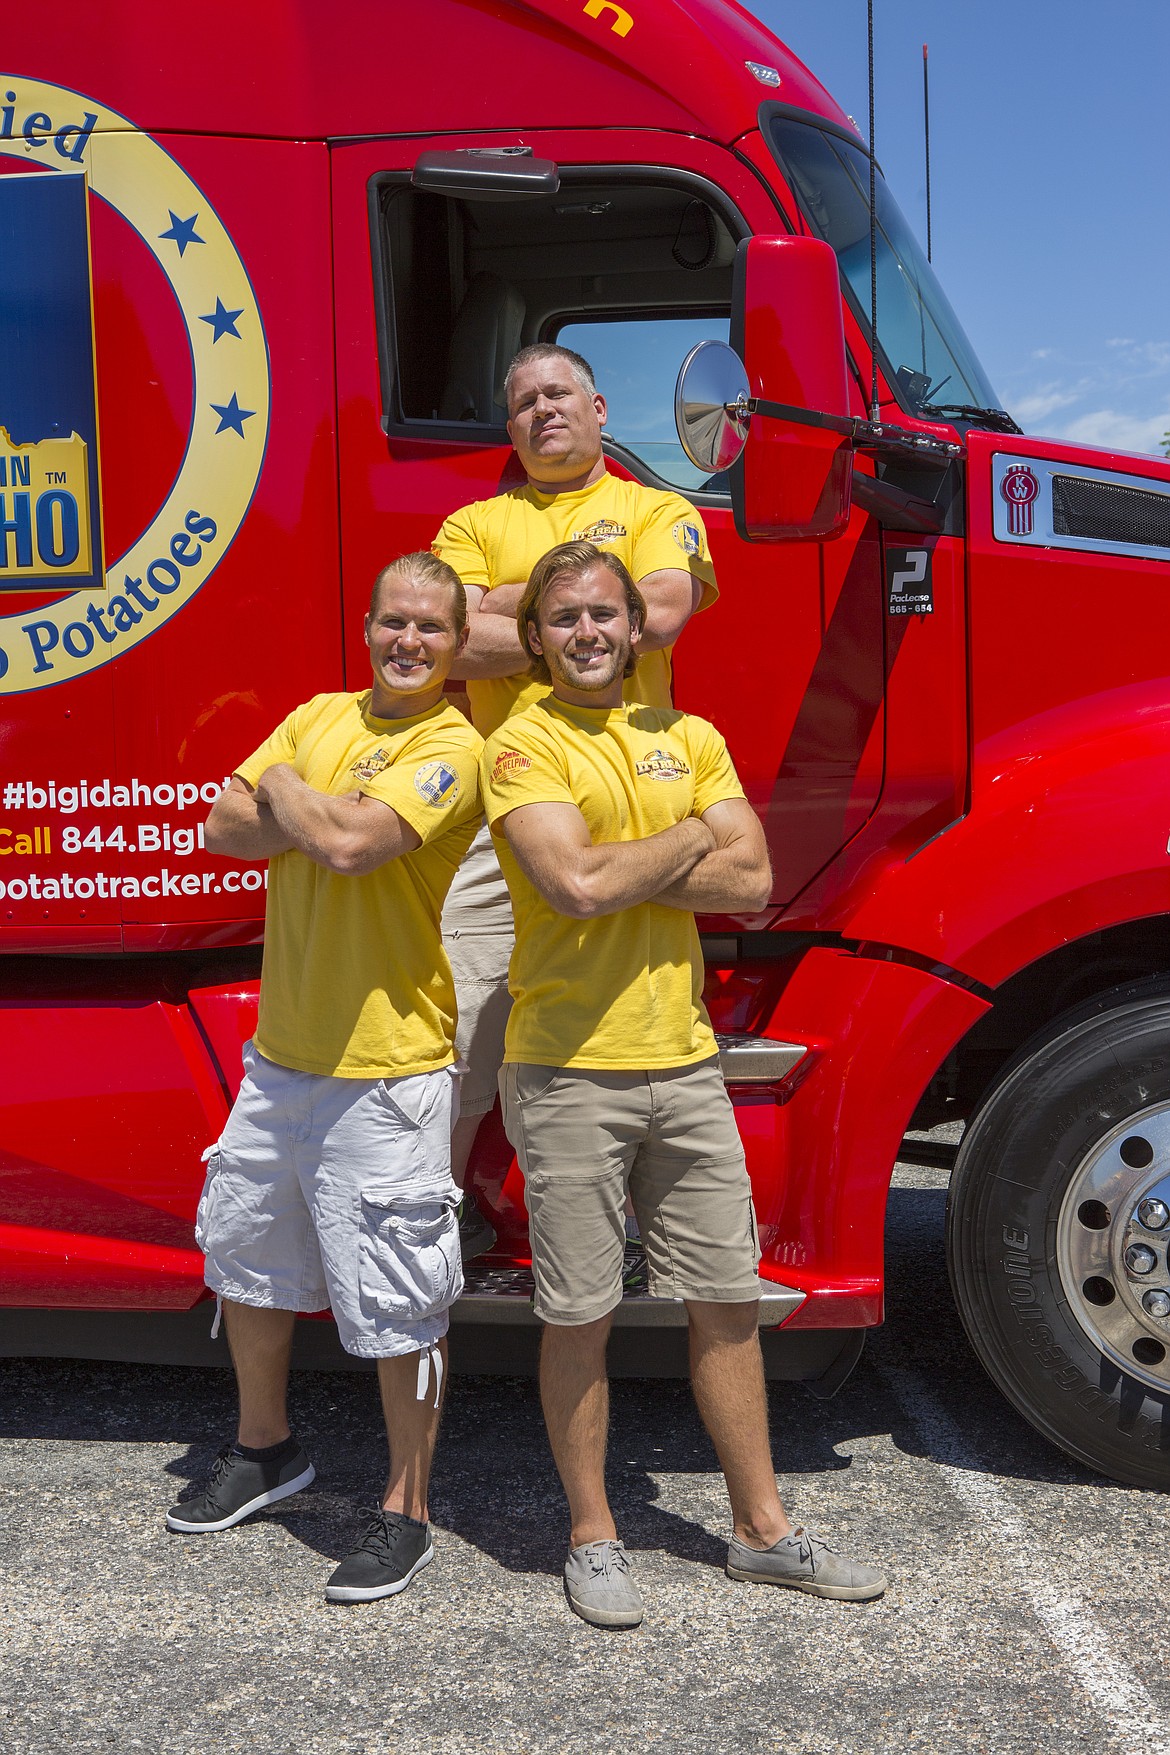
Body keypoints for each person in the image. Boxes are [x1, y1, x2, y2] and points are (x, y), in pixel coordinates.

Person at [481, 540, 887, 1628]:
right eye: (563, 617)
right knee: (578, 1312)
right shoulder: (519, 743)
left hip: (685, 1061)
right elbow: (572, 883)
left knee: (727, 1305)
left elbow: (752, 880)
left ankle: (763, 1532)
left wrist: (638, 861)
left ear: (636, 626)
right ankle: (594, 1537)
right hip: (568, 1069)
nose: (587, 633)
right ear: (535, 639)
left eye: (604, 614)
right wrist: (688, 834)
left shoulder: (690, 735)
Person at [166, 552, 483, 1605]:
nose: (409, 642)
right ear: (368, 624)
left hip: (388, 1071)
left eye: (430, 630)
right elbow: (221, 828)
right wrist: (314, 804)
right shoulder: (317, 711)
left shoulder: (453, 745)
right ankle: (267, 1452)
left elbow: (347, 844)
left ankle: (407, 1509)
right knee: (246, 1263)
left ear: (454, 645)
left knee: (402, 1304)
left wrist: (290, 787)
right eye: (395, 622)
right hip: (282, 1058)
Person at [433, 342, 718, 1248]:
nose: (542, 412)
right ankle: (428, 1225)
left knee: (624, 1034)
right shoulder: (472, 522)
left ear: (599, 408)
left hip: (637, 807)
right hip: (504, 811)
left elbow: (664, 612)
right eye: (523, 404)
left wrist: (511, 610)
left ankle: (611, 1238)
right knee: (463, 1037)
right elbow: (447, 646)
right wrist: (585, 585)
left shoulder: (657, 507)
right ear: (510, 427)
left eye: (559, 394)